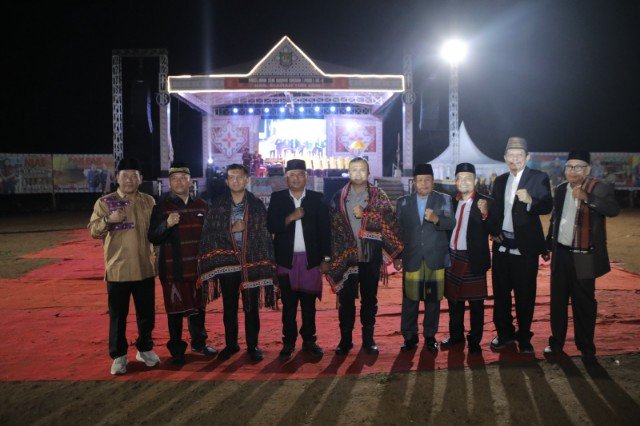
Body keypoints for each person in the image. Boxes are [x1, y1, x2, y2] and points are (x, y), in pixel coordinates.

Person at [544, 150, 620, 363]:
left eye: (578, 167)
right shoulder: (561, 189)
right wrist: (548, 243)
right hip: (560, 253)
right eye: (569, 166)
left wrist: (588, 198)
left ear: (587, 169)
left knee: (584, 302)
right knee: (558, 301)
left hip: (585, 255)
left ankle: (586, 347)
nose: (573, 171)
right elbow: (555, 219)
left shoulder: (598, 188)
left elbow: (613, 210)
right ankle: (556, 343)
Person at [88, 158, 160, 375]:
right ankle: (119, 355)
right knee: (118, 317)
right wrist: (109, 220)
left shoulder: (149, 201)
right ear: (117, 178)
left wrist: (157, 257)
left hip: (145, 267)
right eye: (125, 176)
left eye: (134, 176)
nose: (129, 180)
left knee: (146, 314)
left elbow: (156, 232)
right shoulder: (105, 202)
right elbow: (93, 231)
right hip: (117, 269)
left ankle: (144, 348)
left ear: (141, 179)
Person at [198, 164, 276, 362]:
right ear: (226, 181)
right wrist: (231, 230)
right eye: (231, 177)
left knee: (251, 307)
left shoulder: (256, 205)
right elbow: (210, 233)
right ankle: (231, 344)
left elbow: (264, 233)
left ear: (246, 179)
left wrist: (247, 230)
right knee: (229, 307)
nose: (235, 180)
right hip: (227, 263)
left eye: (239, 177)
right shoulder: (218, 205)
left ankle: (253, 345)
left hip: (251, 262)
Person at [329, 157, 403, 355]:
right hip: (346, 257)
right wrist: (328, 258)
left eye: (362, 169)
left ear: (368, 173)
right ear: (348, 172)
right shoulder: (338, 197)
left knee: (369, 299)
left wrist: (366, 216)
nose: (358, 173)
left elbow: (390, 223)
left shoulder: (379, 196)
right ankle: (345, 340)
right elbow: (331, 229)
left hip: (370, 256)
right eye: (354, 170)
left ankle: (368, 340)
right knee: (346, 300)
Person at [148, 162, 218, 365]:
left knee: (199, 309)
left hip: (198, 269)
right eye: (174, 179)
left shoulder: (202, 206)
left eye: (183, 178)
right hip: (173, 270)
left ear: (190, 182)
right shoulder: (161, 208)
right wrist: (167, 224)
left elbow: (212, 236)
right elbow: (153, 236)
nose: (179, 182)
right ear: (169, 183)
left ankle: (199, 343)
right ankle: (177, 349)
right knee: (175, 312)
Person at [488, 137, 553, 354]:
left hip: (525, 249)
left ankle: (524, 336)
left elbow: (547, 206)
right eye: (511, 155)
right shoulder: (499, 181)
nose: (514, 158)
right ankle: (504, 333)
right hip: (502, 247)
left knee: (525, 295)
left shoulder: (539, 178)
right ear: (505, 157)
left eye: (519, 155)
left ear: (527, 157)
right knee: (501, 294)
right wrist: (493, 231)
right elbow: (495, 211)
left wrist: (531, 201)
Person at [267, 159, 331, 359]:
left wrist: (326, 258)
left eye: (300, 175)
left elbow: (325, 231)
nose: (296, 179)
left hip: (311, 261)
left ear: (306, 177)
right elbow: (271, 226)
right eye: (292, 175)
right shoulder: (278, 198)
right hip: (286, 261)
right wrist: (290, 218)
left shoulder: (316, 198)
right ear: (286, 177)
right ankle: (288, 342)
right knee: (288, 306)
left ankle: (309, 341)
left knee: (309, 306)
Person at [394, 163, 455, 352]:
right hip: (412, 256)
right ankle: (409, 337)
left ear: (433, 181)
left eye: (427, 180)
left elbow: (451, 223)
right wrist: (397, 255)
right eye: (419, 180)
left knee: (433, 300)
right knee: (410, 300)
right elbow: (397, 231)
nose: (424, 183)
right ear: (414, 182)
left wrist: (437, 219)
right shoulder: (403, 202)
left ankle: (430, 336)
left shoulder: (444, 199)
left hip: (435, 257)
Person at [441, 163, 496, 354]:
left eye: (468, 178)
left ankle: (474, 340)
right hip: (452, 257)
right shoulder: (450, 202)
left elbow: (495, 229)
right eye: (460, 178)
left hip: (474, 259)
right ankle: (456, 336)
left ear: (475, 180)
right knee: (454, 302)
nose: (464, 181)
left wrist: (485, 213)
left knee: (476, 304)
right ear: (455, 181)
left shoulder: (486, 201)